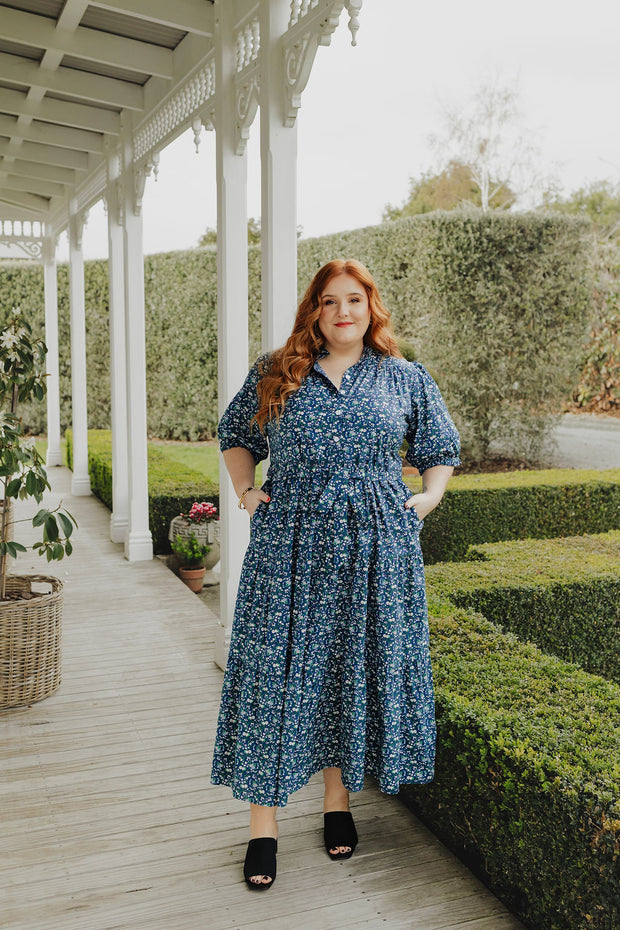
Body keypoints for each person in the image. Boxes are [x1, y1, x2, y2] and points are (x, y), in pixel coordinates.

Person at [211, 259, 460, 890]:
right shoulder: (278, 372)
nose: (342, 310)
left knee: (347, 668)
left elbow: (440, 449)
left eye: (354, 299)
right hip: (289, 546)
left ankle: (337, 804)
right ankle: (262, 828)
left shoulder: (404, 377)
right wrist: (245, 490)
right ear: (314, 312)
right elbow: (235, 434)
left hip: (376, 547)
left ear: (370, 308)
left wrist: (427, 497)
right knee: (278, 673)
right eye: (329, 301)